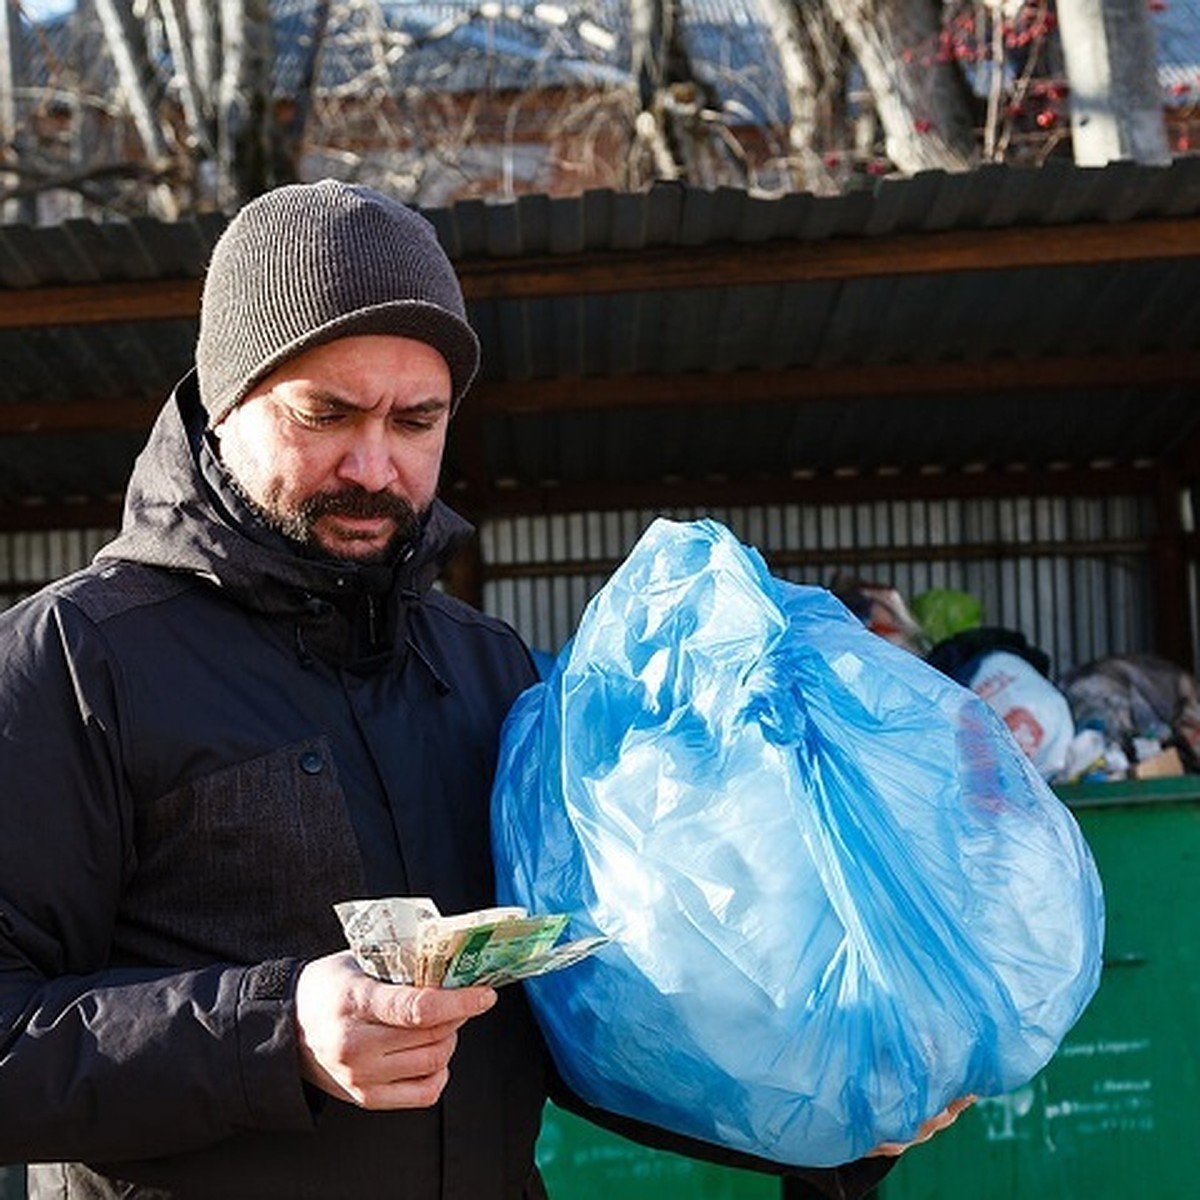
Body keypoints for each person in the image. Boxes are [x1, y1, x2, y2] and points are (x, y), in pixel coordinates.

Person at [0, 180, 963, 1199]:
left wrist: (835, 1121)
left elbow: (573, 1021)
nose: (374, 466)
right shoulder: (74, 663)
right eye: (325, 414)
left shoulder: (485, 668)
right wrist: (273, 1034)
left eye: (417, 420)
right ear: (226, 396)